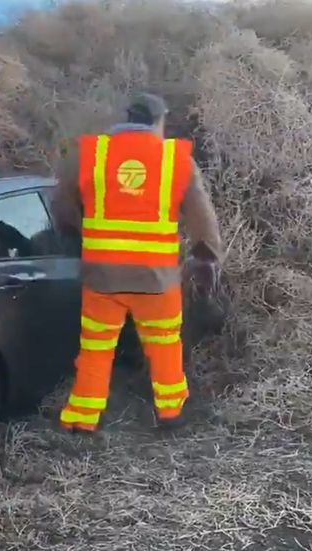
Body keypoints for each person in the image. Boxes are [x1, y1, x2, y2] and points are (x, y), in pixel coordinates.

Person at [50, 93, 224, 432]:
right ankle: (171, 414)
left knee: (96, 350)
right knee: (164, 348)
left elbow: (62, 207)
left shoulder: (91, 154)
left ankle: (82, 420)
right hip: (156, 281)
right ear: (158, 120)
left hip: (102, 278)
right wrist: (206, 258)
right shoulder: (176, 160)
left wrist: (77, 234)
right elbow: (203, 221)